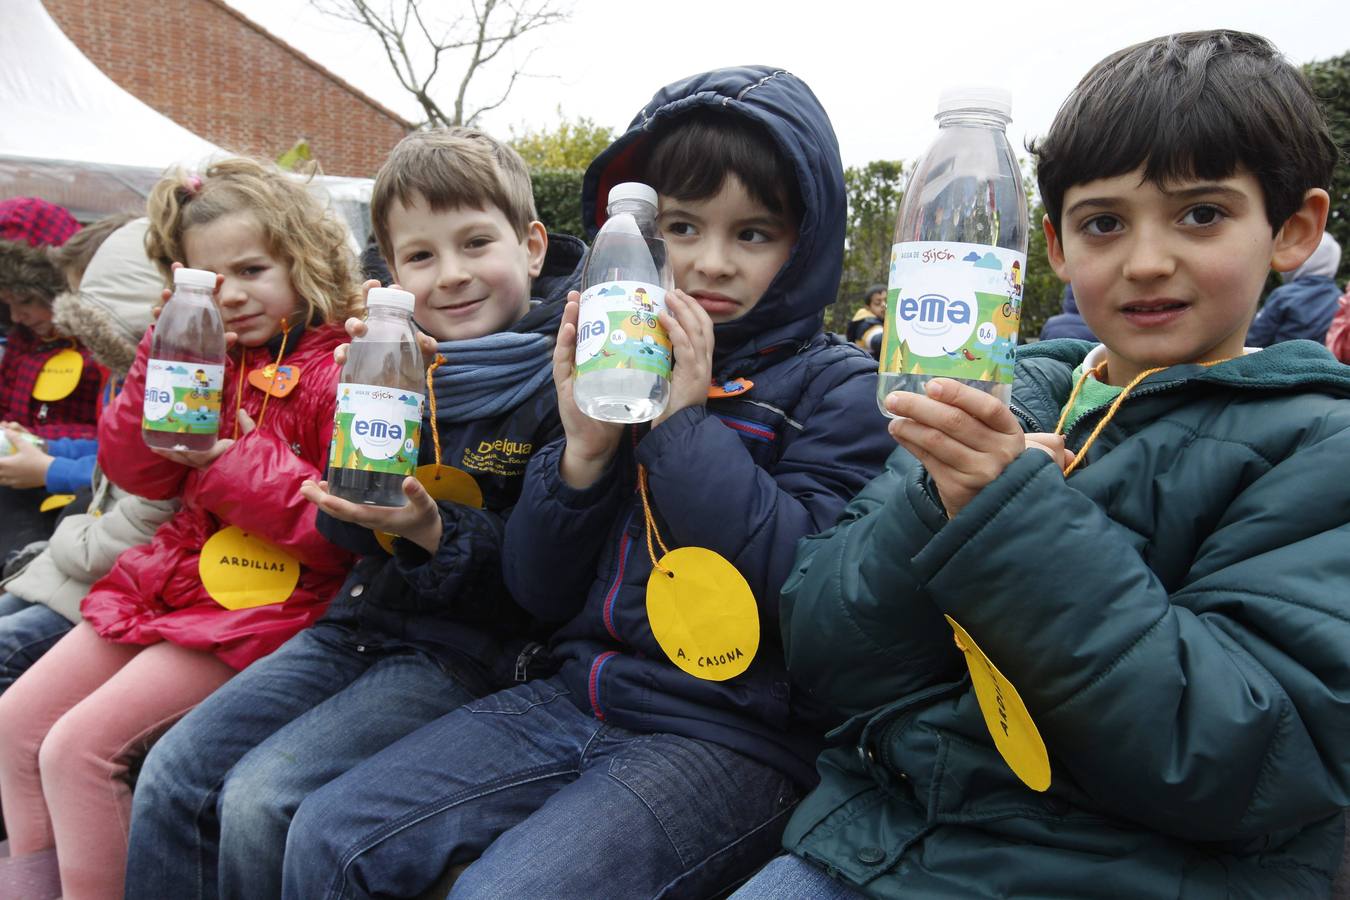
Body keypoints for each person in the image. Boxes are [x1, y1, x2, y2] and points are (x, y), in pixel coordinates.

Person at [732, 30, 1350, 899]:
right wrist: (932, 507)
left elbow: (1249, 760)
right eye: (1104, 223)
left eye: (1201, 214)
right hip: (879, 846)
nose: (1145, 260)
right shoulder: (1005, 399)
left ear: (1292, 231)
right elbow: (828, 655)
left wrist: (1008, 518)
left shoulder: (1320, 446)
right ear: (1055, 252)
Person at [280, 66, 895, 899]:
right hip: (577, 689)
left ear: (805, 244)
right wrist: (582, 452)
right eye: (681, 227)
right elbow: (538, 589)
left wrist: (682, 429)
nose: (709, 262)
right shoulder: (612, 368)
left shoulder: (838, 389)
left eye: (753, 234)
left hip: (731, 734)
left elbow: (803, 590)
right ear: (639, 236)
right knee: (328, 833)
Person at [123, 127, 585, 900]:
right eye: (421, 256)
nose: (452, 276)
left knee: (263, 799)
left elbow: (542, 586)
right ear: (392, 270)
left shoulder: (564, 383)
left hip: (469, 655)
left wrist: (429, 533)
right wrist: (347, 469)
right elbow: (343, 528)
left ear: (532, 245)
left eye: (476, 243)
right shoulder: (387, 358)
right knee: (174, 770)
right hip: (359, 622)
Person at [0, 157, 360, 899]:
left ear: (307, 258)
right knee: (15, 725)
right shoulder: (209, 357)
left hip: (269, 605)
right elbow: (143, 473)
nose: (231, 296)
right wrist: (157, 359)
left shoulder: (344, 367)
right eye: (208, 281)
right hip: (173, 583)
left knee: (78, 751)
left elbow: (339, 532)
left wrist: (230, 466)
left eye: (253, 268)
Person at [0, 218, 177, 693]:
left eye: (27, 300)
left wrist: (51, 468)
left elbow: (130, 483)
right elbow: (108, 452)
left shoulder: (162, 384)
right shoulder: (122, 372)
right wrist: (44, 446)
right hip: (91, 536)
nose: (20, 316)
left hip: (95, 548)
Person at [1246, 230, 1342, 346]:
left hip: (1281, 361)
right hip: (1325, 362)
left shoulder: (1285, 295)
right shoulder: (1340, 300)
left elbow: (1255, 338)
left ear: (1305, 258)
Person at [846, 283, 886, 357]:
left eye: (886, 300)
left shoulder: (880, 320)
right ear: (868, 307)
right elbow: (877, 341)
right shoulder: (865, 324)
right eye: (878, 302)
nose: (884, 305)